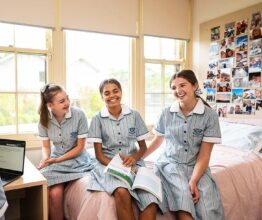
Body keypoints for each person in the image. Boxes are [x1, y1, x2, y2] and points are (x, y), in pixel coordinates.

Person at [144, 70, 224, 220]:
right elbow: (157, 140)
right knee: (184, 204)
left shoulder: (210, 116)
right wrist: (136, 157)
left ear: (194, 86)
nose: (178, 91)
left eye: (182, 85)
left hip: (197, 166)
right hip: (171, 165)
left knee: (209, 210)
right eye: (174, 88)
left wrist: (193, 180)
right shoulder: (166, 113)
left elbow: (204, 154)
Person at [87, 78, 158, 220]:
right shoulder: (97, 119)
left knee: (150, 199)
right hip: (108, 163)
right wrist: (118, 166)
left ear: (121, 92)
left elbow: (143, 148)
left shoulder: (134, 115)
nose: (112, 95)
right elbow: (99, 155)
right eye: (107, 93)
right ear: (102, 97)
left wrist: (135, 158)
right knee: (122, 192)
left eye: (115, 91)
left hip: (134, 163)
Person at [37, 83, 94, 220]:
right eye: (62, 101)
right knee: (54, 194)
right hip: (57, 160)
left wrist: (57, 160)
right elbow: (46, 146)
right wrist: (46, 158)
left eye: (67, 98)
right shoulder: (44, 120)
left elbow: (80, 148)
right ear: (50, 105)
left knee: (44, 179)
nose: (67, 102)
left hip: (78, 159)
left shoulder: (79, 115)